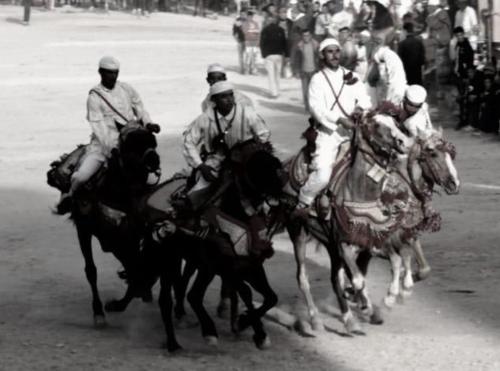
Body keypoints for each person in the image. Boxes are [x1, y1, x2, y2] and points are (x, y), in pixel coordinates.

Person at [55, 56, 158, 214]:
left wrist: (148, 122)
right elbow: (98, 126)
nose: (113, 76)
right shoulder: (94, 97)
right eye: (109, 73)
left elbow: (139, 107)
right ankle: (69, 197)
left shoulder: (126, 88)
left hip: (131, 140)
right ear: (100, 72)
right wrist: (112, 147)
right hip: (103, 145)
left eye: (115, 73)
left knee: (151, 174)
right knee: (80, 177)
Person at [295, 38, 372, 215]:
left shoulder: (351, 75)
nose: (334, 55)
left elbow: (365, 98)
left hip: (354, 129)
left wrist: (360, 108)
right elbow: (316, 108)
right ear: (322, 55)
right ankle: (303, 202)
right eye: (330, 52)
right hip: (329, 132)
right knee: (322, 176)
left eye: (337, 51)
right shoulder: (317, 79)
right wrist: (339, 119)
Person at [183, 81, 270, 194]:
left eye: (231, 95)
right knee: (199, 190)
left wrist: (253, 149)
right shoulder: (204, 119)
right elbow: (188, 142)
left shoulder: (247, 113)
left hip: (246, 157)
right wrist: (201, 166)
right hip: (217, 160)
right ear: (214, 100)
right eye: (223, 96)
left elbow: (263, 134)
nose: (229, 99)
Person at [260, 15, 288, 98]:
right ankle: (278, 90)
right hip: (279, 55)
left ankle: (273, 93)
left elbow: (262, 44)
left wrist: (263, 55)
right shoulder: (281, 30)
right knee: (277, 74)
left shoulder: (265, 30)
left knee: (271, 75)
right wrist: (286, 54)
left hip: (269, 55)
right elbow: (285, 43)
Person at [294, 28, 319, 111]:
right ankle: (307, 107)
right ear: (302, 37)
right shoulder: (299, 46)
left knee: (314, 91)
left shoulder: (316, 45)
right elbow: (297, 59)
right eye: (304, 36)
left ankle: (314, 107)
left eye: (307, 35)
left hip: (314, 71)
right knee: (305, 91)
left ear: (311, 36)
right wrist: (297, 70)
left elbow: (320, 58)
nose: (306, 37)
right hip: (304, 71)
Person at [242, 10, 261, 75]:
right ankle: (246, 70)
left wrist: (258, 41)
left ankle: (254, 70)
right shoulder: (244, 23)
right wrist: (253, 31)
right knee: (248, 56)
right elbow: (245, 31)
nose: (250, 17)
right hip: (248, 42)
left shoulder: (255, 23)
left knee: (254, 56)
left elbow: (258, 32)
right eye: (249, 16)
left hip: (255, 42)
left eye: (251, 16)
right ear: (247, 16)